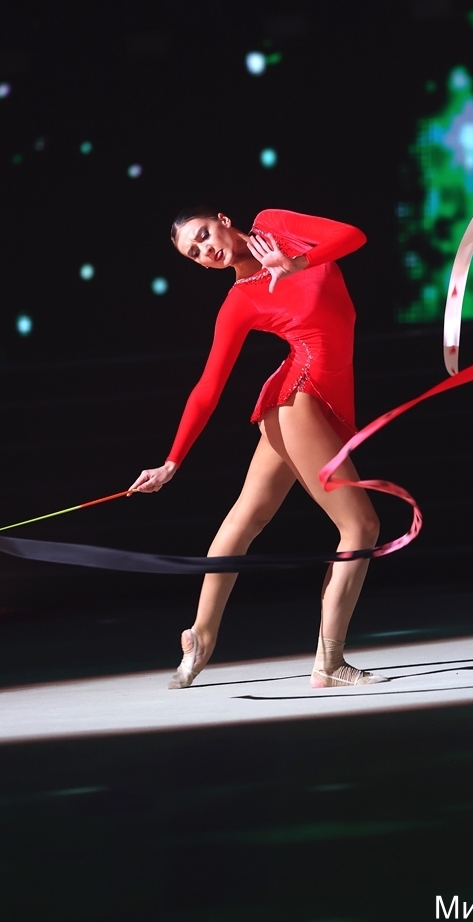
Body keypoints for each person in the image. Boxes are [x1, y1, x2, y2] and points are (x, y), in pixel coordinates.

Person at [129, 206, 387, 690]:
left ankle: (201, 638)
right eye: (195, 253)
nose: (206, 250)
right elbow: (208, 388)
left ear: (223, 219)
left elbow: (353, 236)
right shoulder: (239, 301)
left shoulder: (276, 225)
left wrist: (295, 264)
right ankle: (328, 662)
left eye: (204, 235)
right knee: (360, 525)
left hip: (311, 397)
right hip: (301, 399)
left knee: (248, 516)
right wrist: (171, 461)